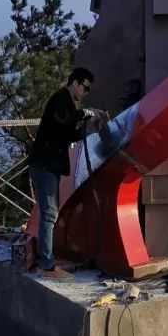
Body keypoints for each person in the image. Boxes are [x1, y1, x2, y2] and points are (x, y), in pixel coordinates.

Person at [27, 67, 105, 277]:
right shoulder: (60, 100)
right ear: (75, 83)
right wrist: (83, 115)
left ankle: (47, 257)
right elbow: (63, 123)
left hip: (49, 166)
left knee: (50, 213)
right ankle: (46, 261)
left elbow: (67, 129)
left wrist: (85, 122)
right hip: (44, 166)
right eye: (85, 88)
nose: (85, 93)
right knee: (49, 213)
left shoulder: (66, 103)